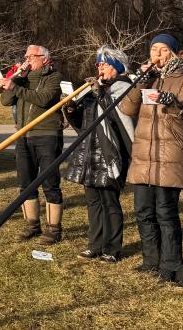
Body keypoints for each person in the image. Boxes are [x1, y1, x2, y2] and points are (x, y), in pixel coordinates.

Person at [119, 34, 183, 279]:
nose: (158, 55)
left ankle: (171, 263)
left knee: (165, 212)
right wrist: (140, 81)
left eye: (163, 50)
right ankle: (150, 259)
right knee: (143, 210)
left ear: (173, 53)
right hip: (144, 154)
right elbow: (127, 108)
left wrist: (172, 103)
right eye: (154, 50)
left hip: (169, 154)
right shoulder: (148, 78)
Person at [64, 46, 136, 263]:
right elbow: (83, 124)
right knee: (93, 202)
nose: (99, 68)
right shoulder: (96, 89)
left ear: (116, 67)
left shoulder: (123, 87)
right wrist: (70, 110)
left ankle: (112, 249)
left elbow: (117, 117)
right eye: (98, 64)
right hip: (89, 153)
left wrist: (99, 93)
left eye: (104, 64)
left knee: (109, 203)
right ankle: (95, 245)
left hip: (110, 153)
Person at [0, 44, 66, 244]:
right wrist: (15, 78)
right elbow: (5, 100)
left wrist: (17, 88)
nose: (27, 60)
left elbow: (44, 99)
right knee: (25, 183)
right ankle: (32, 225)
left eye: (31, 57)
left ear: (44, 59)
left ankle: (54, 229)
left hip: (47, 134)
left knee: (50, 183)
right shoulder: (22, 78)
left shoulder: (54, 77)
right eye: (26, 56)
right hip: (23, 135)